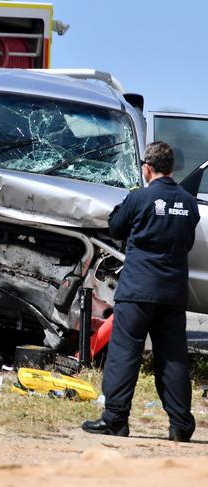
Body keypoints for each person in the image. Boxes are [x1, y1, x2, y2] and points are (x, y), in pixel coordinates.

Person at [82, 141, 200, 442]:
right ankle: (181, 425)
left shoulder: (140, 198)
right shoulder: (188, 202)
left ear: (147, 168)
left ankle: (115, 420)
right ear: (171, 168)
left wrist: (127, 204)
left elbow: (116, 227)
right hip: (173, 292)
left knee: (124, 353)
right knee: (172, 357)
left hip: (137, 290)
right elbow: (187, 237)